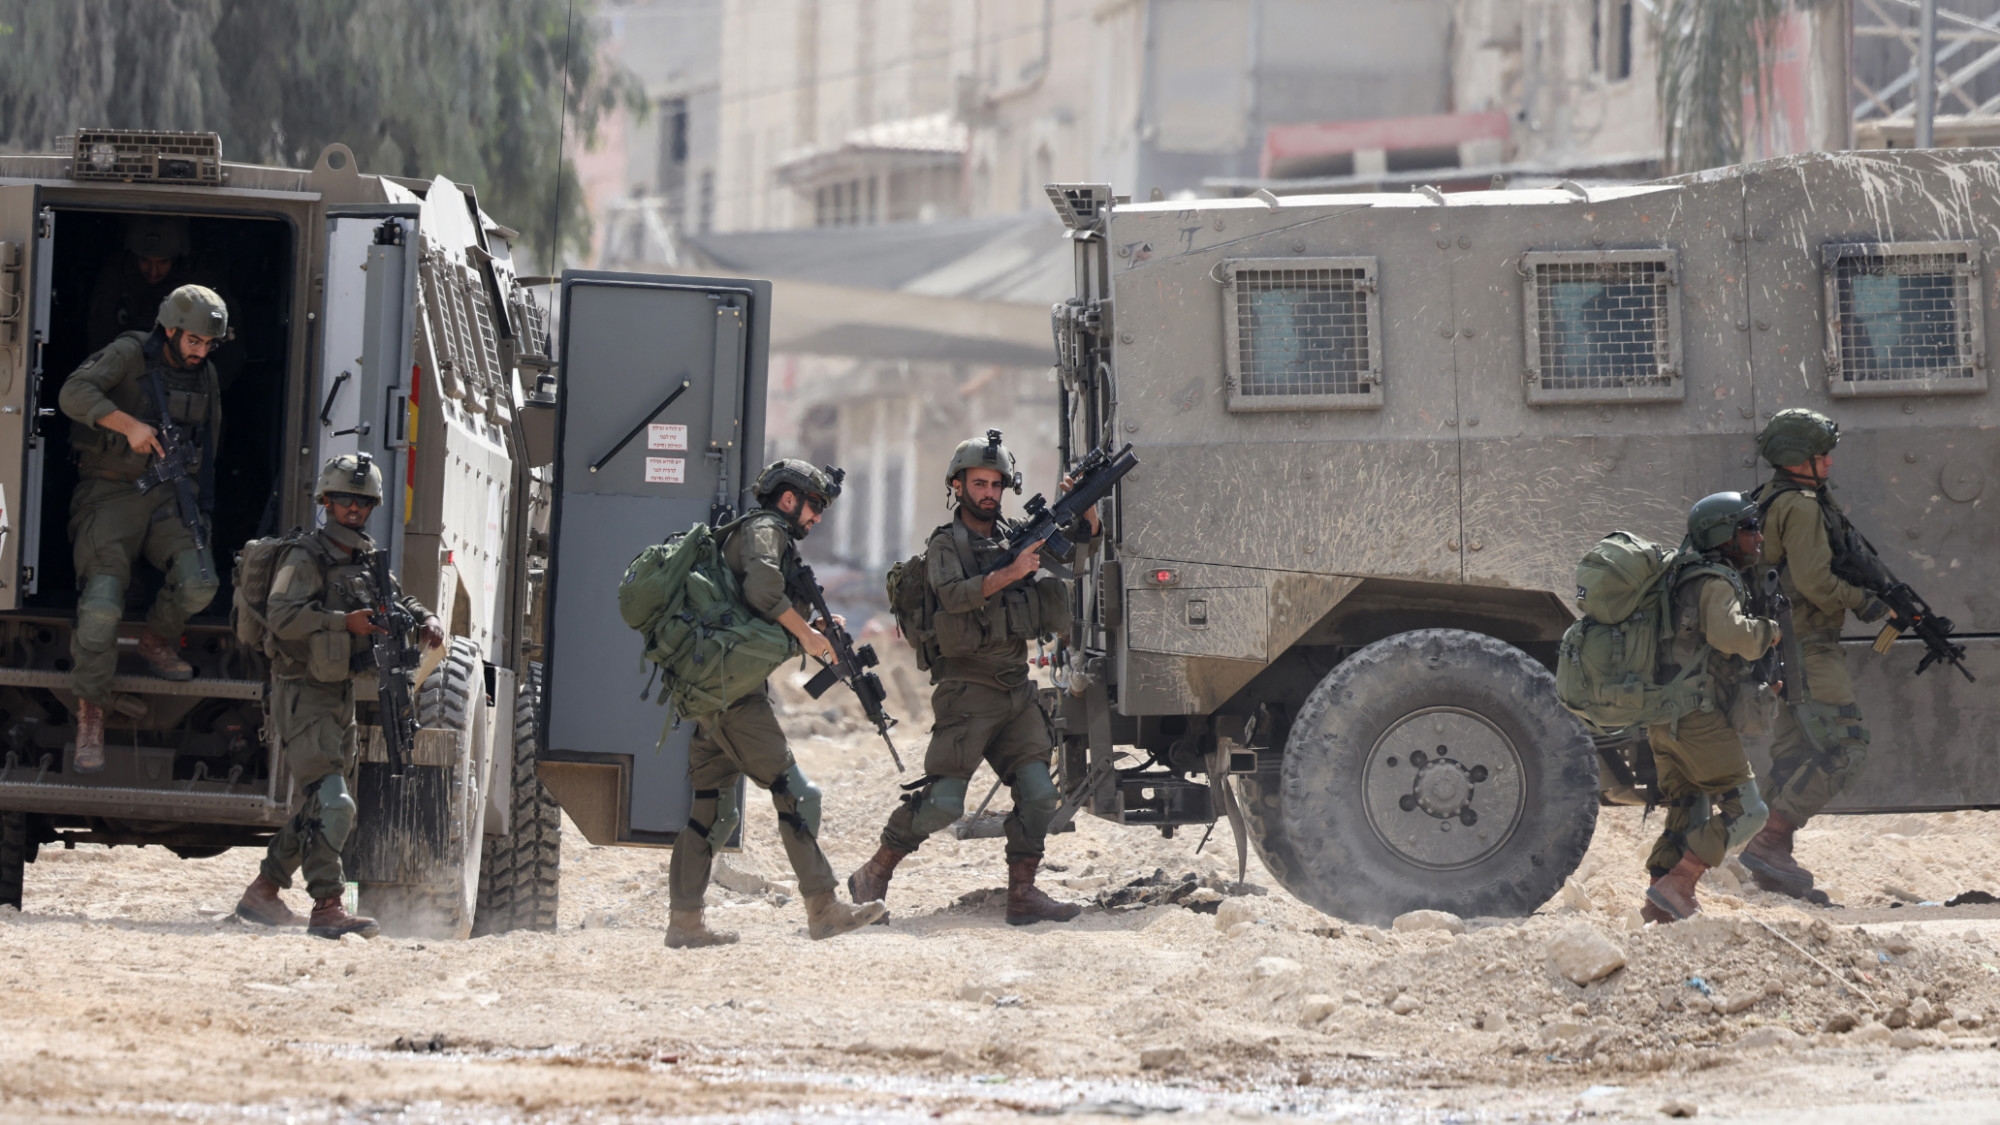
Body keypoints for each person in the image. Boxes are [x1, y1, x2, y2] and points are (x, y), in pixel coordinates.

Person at [849, 431, 1098, 926]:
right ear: (958, 487)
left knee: (1040, 794)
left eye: (995, 484)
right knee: (942, 804)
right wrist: (1008, 574)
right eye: (978, 483)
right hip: (966, 691)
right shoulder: (947, 544)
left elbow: (1075, 557)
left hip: (1014, 688)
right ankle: (873, 873)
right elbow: (951, 596)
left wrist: (1084, 511)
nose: (988, 492)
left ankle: (1023, 895)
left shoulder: (1014, 537)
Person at [663, 459, 888, 948]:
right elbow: (762, 588)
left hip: (715, 689)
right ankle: (824, 909)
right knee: (796, 793)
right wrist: (808, 636)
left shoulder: (757, 533)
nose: (817, 518)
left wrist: (816, 630)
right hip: (732, 694)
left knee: (712, 810)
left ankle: (684, 924)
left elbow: (757, 606)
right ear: (789, 499)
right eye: (814, 507)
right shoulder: (767, 528)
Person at [234, 453, 445, 938]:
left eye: (363, 501)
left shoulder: (364, 554)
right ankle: (327, 906)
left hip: (338, 694)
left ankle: (263, 892)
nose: (354, 508)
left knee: (320, 804)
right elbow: (282, 615)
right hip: (302, 692)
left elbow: (395, 598)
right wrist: (339, 623)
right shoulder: (305, 556)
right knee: (337, 804)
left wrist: (424, 616)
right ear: (326, 501)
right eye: (346, 499)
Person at [57, 284, 230, 772]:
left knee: (200, 583)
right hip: (108, 492)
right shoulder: (130, 353)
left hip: (170, 495)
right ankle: (90, 711)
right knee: (101, 604)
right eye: (194, 341)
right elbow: (73, 393)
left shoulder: (207, 375)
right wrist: (128, 425)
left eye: (208, 344)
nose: (200, 352)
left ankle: (158, 638)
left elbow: (213, 440)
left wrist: (202, 503)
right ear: (171, 329)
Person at [1738, 408, 1888, 902]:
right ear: (1797, 459)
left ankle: (1769, 866)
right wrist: (1867, 602)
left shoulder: (1773, 499)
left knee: (1794, 753)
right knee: (1847, 744)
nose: (1828, 463)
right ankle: (1772, 840)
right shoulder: (1800, 506)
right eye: (1820, 455)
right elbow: (1816, 583)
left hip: (1785, 642)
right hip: (1807, 645)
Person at [1641, 493, 1781, 922]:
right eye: (1748, 528)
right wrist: (1767, 632)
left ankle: (1659, 901)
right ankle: (1679, 883)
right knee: (1750, 811)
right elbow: (1728, 635)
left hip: (1664, 718)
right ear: (1723, 536)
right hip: (1698, 717)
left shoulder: (1680, 577)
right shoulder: (1716, 580)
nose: (1757, 537)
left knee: (1689, 807)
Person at [86, 217, 196, 351]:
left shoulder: (190, 289)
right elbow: (100, 335)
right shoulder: (116, 279)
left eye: (163, 262)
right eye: (145, 260)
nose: (153, 271)